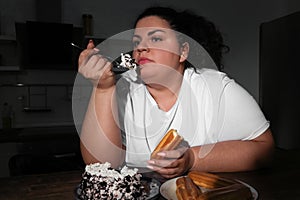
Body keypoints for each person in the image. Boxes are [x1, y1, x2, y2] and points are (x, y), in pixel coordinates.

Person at [77, 6, 274, 179]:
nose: (141, 48)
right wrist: (102, 89)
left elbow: (264, 148)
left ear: (183, 52)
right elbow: (101, 165)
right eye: (136, 42)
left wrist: (192, 159)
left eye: (155, 38)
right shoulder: (122, 88)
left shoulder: (215, 87)